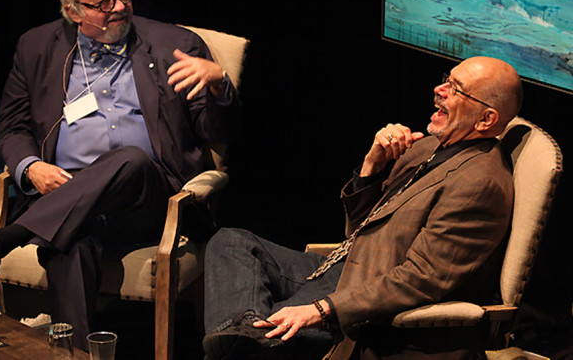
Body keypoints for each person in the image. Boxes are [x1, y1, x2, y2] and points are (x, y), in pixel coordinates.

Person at [0, 0, 241, 350]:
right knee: (69, 240)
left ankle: (7, 237)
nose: (119, 6)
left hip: (150, 200)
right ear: (73, 11)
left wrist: (218, 84)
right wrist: (31, 166)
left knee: (131, 159)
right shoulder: (37, 47)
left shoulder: (176, 44)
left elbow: (219, 131)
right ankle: (78, 355)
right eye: (104, 1)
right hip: (69, 203)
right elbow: (12, 128)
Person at [202, 56, 522, 359]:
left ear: (486, 119)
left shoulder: (480, 184)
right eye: (445, 81)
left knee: (255, 338)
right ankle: (244, 336)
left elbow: (421, 278)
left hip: (368, 302)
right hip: (343, 266)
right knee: (233, 241)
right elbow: (359, 228)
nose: (438, 91)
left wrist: (323, 308)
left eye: (455, 89)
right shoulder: (428, 145)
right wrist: (372, 166)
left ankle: (245, 342)